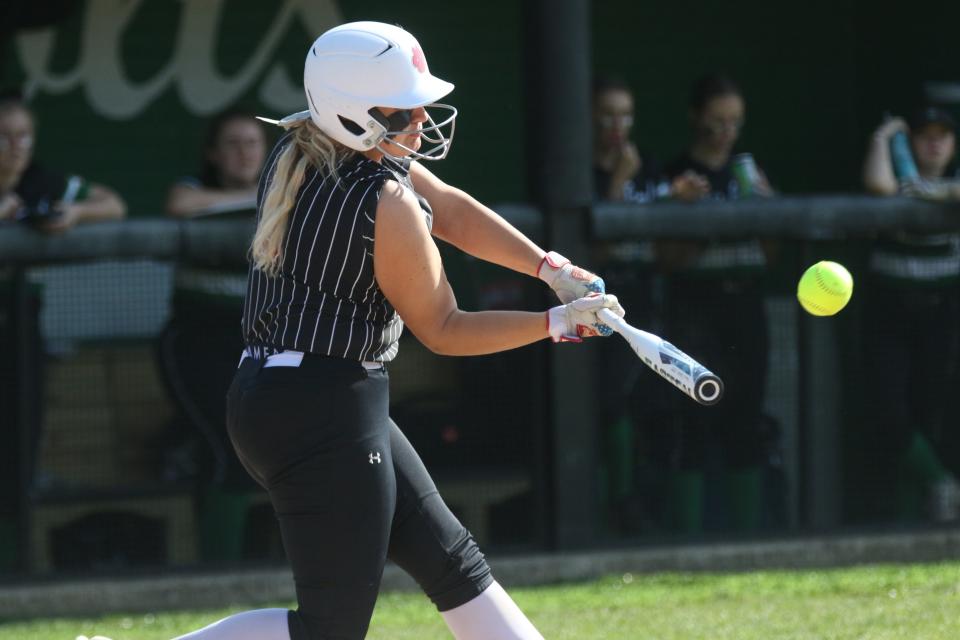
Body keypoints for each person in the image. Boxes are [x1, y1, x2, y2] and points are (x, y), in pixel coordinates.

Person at [89, 21, 623, 640]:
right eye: (400, 109)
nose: (420, 120)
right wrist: (556, 323)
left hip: (291, 396)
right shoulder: (385, 201)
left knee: (452, 563)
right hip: (321, 411)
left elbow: (448, 207)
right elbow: (445, 328)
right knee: (330, 631)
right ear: (351, 112)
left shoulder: (298, 147)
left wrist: (549, 268)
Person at [0, 90, 126, 567]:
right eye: (4, 137)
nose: (15, 147)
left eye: (23, 136)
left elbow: (113, 205)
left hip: (18, 328)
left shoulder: (40, 180)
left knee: (18, 436)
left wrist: (74, 214)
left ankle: (17, 559)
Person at [652, 72, 775, 534]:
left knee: (746, 421)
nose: (725, 132)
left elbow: (772, 254)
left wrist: (766, 208)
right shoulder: (678, 174)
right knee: (694, 422)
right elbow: (664, 258)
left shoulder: (750, 172)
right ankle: (689, 541)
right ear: (696, 117)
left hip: (745, 307)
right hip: (693, 310)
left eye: (735, 122)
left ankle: (750, 539)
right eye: (717, 121)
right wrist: (702, 220)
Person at [157, 108, 270, 560]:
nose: (243, 153)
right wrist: (249, 201)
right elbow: (178, 206)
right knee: (223, 448)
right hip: (196, 345)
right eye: (232, 144)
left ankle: (232, 568)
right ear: (213, 153)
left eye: (252, 143)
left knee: (255, 452)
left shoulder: (282, 194)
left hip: (261, 347)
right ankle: (216, 571)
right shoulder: (193, 191)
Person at [860, 104, 960, 522]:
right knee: (890, 415)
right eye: (923, 134)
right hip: (891, 311)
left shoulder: (953, 187)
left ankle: (921, 519)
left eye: (943, 134)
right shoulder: (900, 183)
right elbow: (877, 185)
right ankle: (943, 485)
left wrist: (946, 193)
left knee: (929, 412)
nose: (934, 142)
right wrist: (885, 137)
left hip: (941, 313)